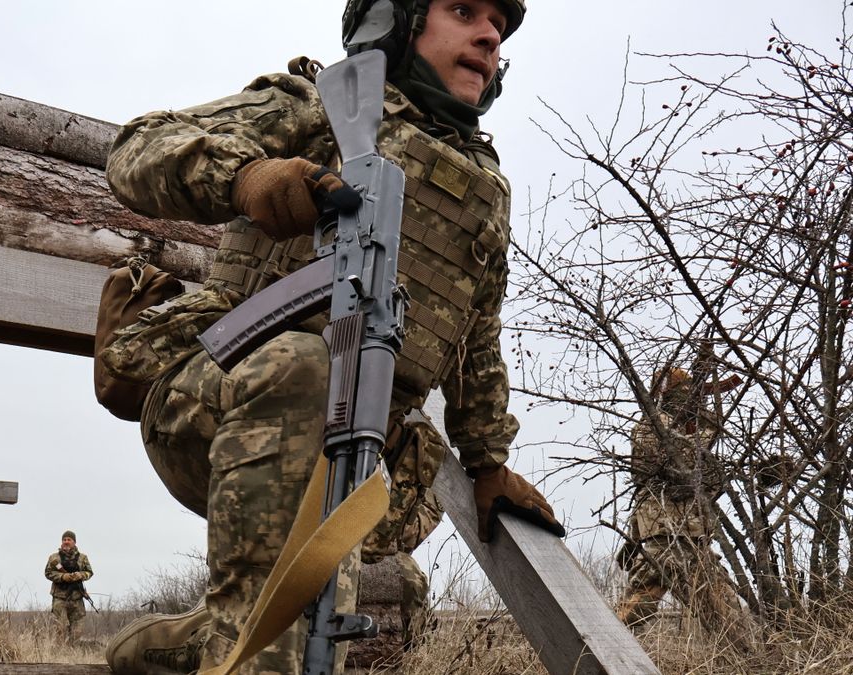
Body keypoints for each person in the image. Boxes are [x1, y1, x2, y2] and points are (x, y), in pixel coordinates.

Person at [101, 1, 563, 672]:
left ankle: (194, 642)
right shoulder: (321, 106)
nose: (489, 35)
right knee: (308, 366)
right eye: (463, 9)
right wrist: (247, 176)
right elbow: (137, 149)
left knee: (314, 610)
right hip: (214, 403)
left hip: (360, 447)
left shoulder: (485, 189)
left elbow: (476, 338)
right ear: (396, 20)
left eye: (498, 25)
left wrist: (488, 462)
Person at [617, 366, 749, 644]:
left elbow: (707, 479)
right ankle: (590, 653)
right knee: (635, 610)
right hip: (663, 535)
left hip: (694, 539)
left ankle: (752, 663)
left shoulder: (688, 428)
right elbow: (684, 459)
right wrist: (708, 424)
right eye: (688, 394)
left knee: (729, 618)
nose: (694, 401)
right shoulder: (650, 427)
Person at [45, 530, 94, 642]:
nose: (66, 542)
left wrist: (80, 575)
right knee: (60, 628)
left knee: (77, 630)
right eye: (64, 540)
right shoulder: (54, 558)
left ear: (74, 542)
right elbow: (48, 573)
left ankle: (72, 650)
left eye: (69, 539)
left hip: (77, 598)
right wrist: (63, 577)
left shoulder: (83, 558)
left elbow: (89, 572)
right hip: (60, 598)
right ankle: (60, 652)